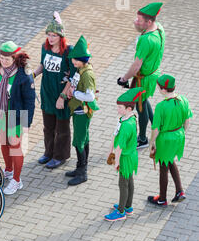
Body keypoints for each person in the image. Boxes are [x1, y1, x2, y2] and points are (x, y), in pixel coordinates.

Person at [0, 41, 36, 195]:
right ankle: (8, 171)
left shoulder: (23, 76)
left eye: (7, 59)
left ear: (15, 58)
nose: (3, 62)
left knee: (15, 148)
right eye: (2, 58)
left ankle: (17, 181)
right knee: (4, 144)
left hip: (15, 117)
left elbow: (29, 101)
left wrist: (27, 122)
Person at [117, 2, 165, 149]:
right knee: (144, 101)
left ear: (149, 22)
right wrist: (138, 25)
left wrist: (124, 79)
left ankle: (143, 138)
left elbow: (136, 65)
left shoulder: (146, 40)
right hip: (153, 74)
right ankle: (156, 126)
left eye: (139, 20)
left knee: (140, 106)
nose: (136, 22)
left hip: (143, 78)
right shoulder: (159, 29)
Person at [33, 12, 76, 169]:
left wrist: (63, 96)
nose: (51, 38)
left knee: (62, 127)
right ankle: (48, 152)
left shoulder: (68, 51)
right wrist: (33, 75)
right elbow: (43, 65)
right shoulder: (45, 48)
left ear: (61, 36)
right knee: (48, 126)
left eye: (54, 35)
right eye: (49, 35)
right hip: (47, 93)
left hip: (61, 94)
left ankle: (60, 156)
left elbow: (73, 76)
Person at [147, 74, 192, 206]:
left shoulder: (161, 106)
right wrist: (181, 133)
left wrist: (152, 143)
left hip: (165, 139)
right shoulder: (183, 99)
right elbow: (187, 121)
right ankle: (180, 191)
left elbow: (156, 129)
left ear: (163, 90)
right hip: (179, 135)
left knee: (163, 167)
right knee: (170, 160)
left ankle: (162, 198)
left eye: (159, 87)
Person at [105, 88, 143, 221]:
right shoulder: (131, 118)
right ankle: (128, 206)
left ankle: (121, 212)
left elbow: (120, 147)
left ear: (128, 108)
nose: (118, 109)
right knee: (129, 181)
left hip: (125, 158)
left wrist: (116, 162)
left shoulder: (126, 125)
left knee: (123, 184)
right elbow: (115, 135)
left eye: (120, 107)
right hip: (131, 155)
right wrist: (110, 149)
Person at [66, 35, 99, 186]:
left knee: (79, 141)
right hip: (78, 110)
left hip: (82, 111)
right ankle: (79, 168)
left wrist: (74, 93)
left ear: (81, 60)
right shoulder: (81, 70)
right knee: (83, 139)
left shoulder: (87, 74)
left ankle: (82, 172)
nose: (72, 62)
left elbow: (90, 96)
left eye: (74, 59)